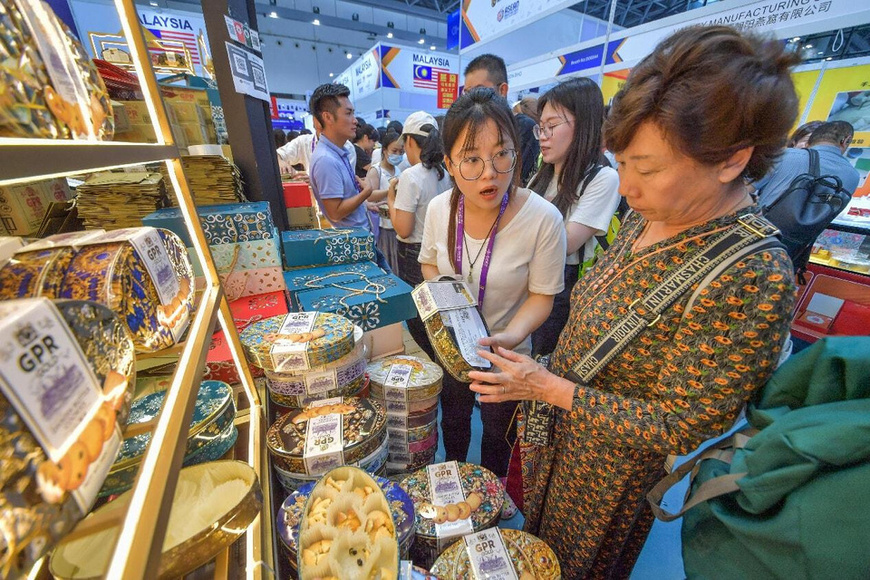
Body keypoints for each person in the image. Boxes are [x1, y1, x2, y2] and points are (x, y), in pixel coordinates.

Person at [466, 26, 799, 578]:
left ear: (731, 161)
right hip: (563, 436)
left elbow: (683, 424)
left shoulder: (752, 273)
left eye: (646, 169)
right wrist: (541, 372)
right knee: (536, 550)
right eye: (620, 164)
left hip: (610, 478)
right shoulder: (654, 214)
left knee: (575, 566)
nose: (626, 187)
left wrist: (548, 388)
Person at [419, 88, 567, 477]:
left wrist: (509, 337)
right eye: (471, 159)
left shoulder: (543, 219)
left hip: (506, 356)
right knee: (453, 424)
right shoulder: (438, 209)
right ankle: (452, 481)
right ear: (449, 163)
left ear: (517, 151)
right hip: (452, 348)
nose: (489, 173)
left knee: (498, 439)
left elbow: (542, 296)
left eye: (501, 154)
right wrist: (448, 305)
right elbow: (428, 264)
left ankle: (491, 498)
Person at [527, 78, 621, 357]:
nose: (543, 136)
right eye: (540, 127)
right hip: (529, 281)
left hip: (563, 292)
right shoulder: (542, 176)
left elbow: (566, 243)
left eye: (552, 126)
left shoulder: (603, 179)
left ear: (584, 125)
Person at [387, 111, 453, 360]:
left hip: (414, 254)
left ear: (410, 141)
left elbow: (403, 229)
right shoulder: (444, 172)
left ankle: (438, 361)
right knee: (436, 313)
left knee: (417, 317)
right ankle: (443, 358)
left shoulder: (411, 175)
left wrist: (391, 199)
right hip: (440, 250)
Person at [307, 83, 391, 272]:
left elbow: (343, 199)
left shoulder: (340, 152)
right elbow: (335, 212)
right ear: (328, 117)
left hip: (361, 240)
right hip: (353, 247)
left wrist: (364, 203)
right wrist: (366, 193)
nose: (355, 121)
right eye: (348, 113)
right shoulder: (326, 160)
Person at [464, 54, 539, 186]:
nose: (472, 98)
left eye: (479, 90)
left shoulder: (522, 127)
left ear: (502, 90)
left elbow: (515, 179)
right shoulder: (471, 128)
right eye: (467, 92)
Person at [754, 120, 860, 207]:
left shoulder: (785, 156)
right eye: (807, 141)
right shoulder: (853, 175)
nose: (807, 146)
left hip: (763, 222)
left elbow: (747, 189)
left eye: (810, 141)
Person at [366, 129, 404, 273]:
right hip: (382, 225)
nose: (398, 155)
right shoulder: (376, 170)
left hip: (396, 222)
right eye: (394, 151)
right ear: (385, 150)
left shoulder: (398, 170)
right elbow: (369, 195)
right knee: (387, 259)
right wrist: (391, 190)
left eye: (401, 152)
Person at [276, 117, 357, 177]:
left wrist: (314, 181)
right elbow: (278, 154)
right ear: (315, 121)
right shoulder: (304, 141)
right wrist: (281, 162)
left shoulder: (347, 147)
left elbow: (345, 182)